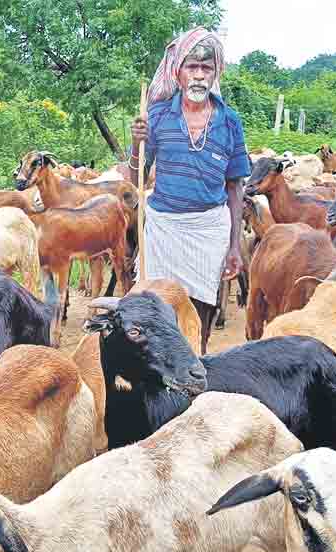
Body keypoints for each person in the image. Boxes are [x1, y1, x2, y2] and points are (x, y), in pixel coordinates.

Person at [127, 27, 250, 354]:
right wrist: (136, 143)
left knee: (201, 314)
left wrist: (235, 246)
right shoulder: (156, 116)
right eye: (191, 67)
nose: (198, 75)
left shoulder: (229, 122)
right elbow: (134, 175)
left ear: (216, 73)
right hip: (164, 229)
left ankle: (196, 371)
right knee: (156, 311)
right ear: (177, 73)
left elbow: (236, 185)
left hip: (208, 231)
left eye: (206, 68)